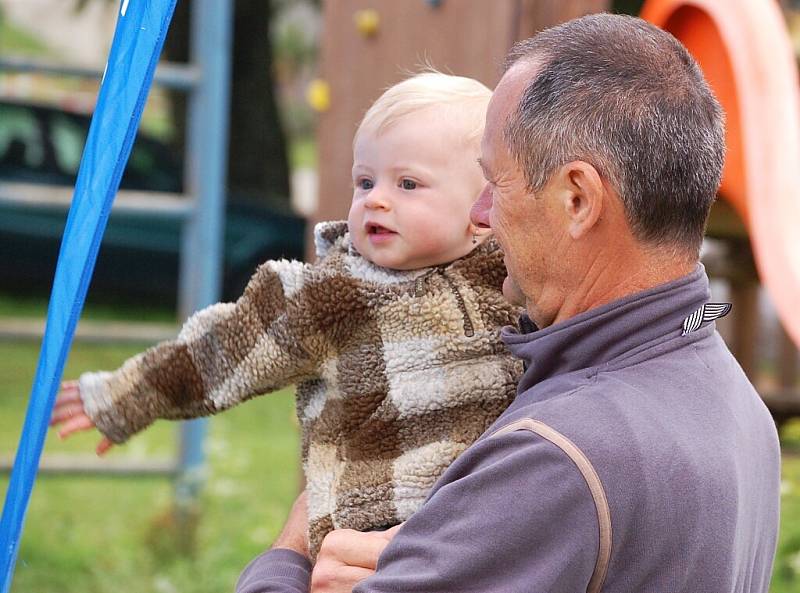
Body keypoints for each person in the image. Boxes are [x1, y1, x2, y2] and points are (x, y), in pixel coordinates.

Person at [235, 14, 781, 593]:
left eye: (495, 182)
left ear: (577, 199)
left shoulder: (553, 461)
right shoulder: (730, 397)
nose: (479, 215)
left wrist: (291, 553)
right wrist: (454, 551)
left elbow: (552, 499)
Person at [50, 72, 523, 559]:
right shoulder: (329, 296)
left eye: (408, 183)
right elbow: (222, 353)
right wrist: (124, 398)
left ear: (483, 209)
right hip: (371, 524)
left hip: (479, 521)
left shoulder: (512, 280)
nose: (376, 199)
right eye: (365, 181)